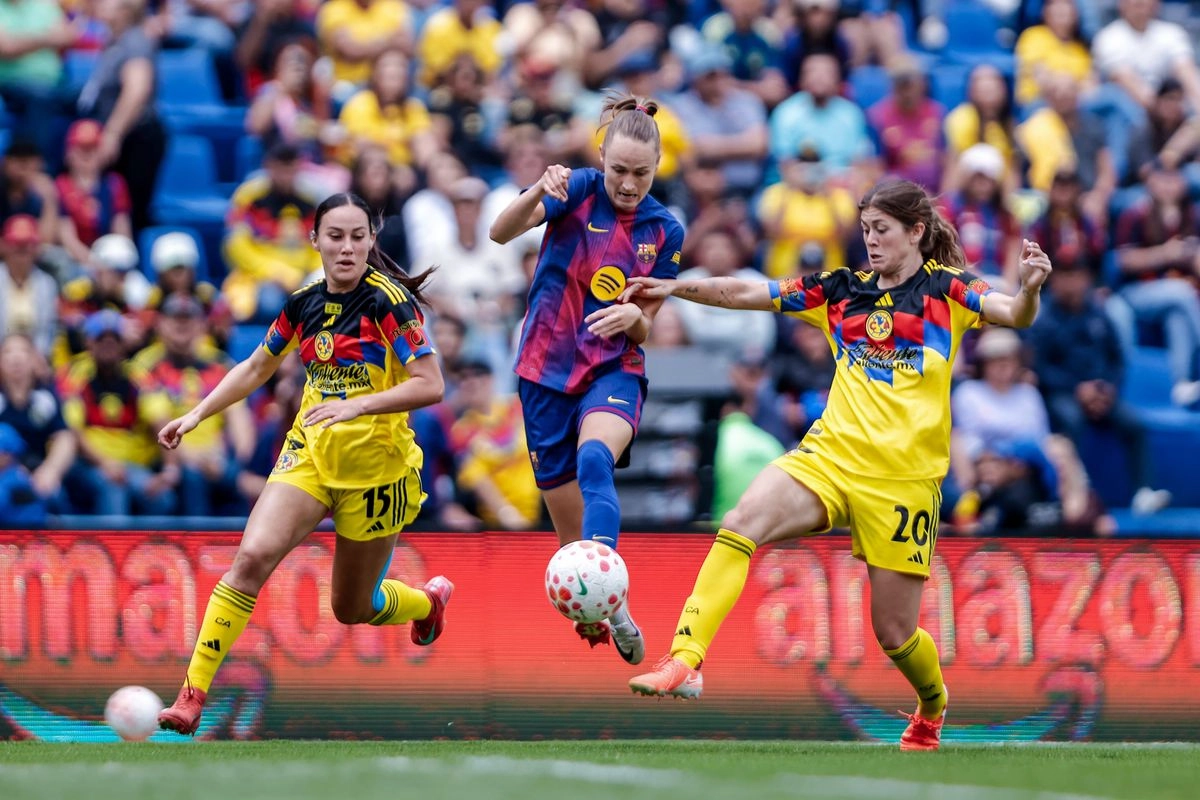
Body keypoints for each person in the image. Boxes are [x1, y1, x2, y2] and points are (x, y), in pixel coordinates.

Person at [623, 178, 1053, 752]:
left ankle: (932, 704)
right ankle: (685, 658)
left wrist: (1028, 290)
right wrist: (674, 287)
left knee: (895, 634)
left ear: (916, 232)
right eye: (866, 230)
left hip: (903, 483)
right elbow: (746, 293)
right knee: (740, 522)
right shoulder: (838, 291)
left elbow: (1014, 314)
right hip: (830, 458)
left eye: (882, 230)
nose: (870, 241)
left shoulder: (949, 293)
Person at [156, 192, 453, 735]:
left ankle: (425, 604)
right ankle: (191, 695)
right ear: (314, 240)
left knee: (353, 607)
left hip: (377, 470)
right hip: (309, 456)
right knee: (251, 558)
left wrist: (358, 404)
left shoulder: (389, 305)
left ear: (371, 241)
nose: (346, 248)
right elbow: (255, 367)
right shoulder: (303, 303)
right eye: (334, 236)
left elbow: (430, 385)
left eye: (357, 237)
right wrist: (196, 414)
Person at [489, 92, 684, 666]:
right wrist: (536, 192)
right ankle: (610, 608)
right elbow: (501, 234)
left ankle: (610, 578)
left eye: (641, 174)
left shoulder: (665, 231)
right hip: (543, 371)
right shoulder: (573, 189)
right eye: (619, 170)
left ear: (657, 167)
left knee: (594, 459)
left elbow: (648, 323)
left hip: (611, 366)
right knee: (571, 547)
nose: (628, 184)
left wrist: (634, 319)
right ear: (601, 159)